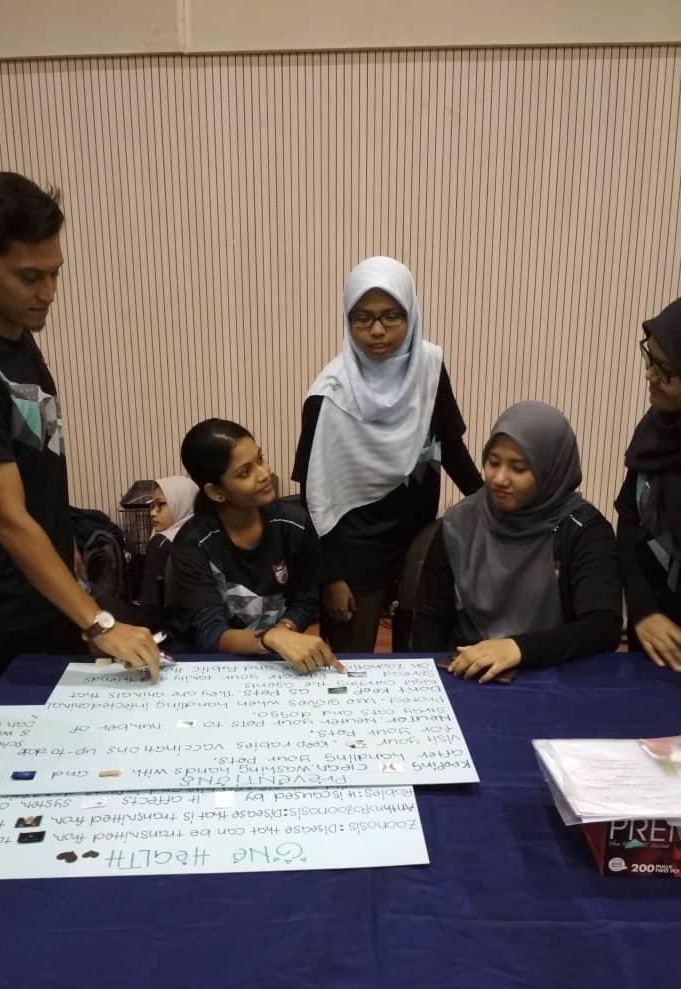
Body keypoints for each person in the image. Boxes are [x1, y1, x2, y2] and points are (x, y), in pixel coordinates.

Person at [0, 172, 160, 694]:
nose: (49, 293)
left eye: (55, 274)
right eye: (30, 277)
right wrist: (98, 622)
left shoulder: (15, 337)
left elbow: (36, 463)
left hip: (47, 590)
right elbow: (8, 520)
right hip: (3, 608)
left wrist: (68, 550)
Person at [292, 255, 482, 653]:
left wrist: (490, 506)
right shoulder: (328, 395)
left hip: (416, 535)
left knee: (417, 653)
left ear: (411, 313)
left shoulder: (429, 368)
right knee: (352, 662)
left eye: (391, 316)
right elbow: (314, 493)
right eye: (362, 318)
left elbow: (451, 447)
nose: (377, 331)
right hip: (353, 548)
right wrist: (331, 575)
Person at [412, 401, 623, 682]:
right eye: (493, 462)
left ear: (551, 469)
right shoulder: (459, 523)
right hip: (468, 673)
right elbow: (430, 619)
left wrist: (519, 648)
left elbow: (602, 626)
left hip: (554, 674)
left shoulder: (584, 530)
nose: (499, 479)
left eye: (519, 468)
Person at [169, 418, 344, 674]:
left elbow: (306, 600)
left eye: (260, 459)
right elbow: (210, 633)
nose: (264, 474)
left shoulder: (294, 524)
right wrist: (269, 638)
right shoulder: (193, 543)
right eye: (245, 472)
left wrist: (283, 631)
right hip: (213, 667)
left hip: (277, 662)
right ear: (216, 492)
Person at [615, 298, 681, 670]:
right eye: (649, 358)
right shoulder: (656, 429)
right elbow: (629, 521)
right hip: (655, 633)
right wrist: (643, 611)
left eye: (665, 370)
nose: (650, 376)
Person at [137, 476, 198, 624]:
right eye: (152, 505)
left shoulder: (161, 543)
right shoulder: (205, 535)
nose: (153, 513)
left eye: (161, 504)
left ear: (180, 504)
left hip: (170, 629)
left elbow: (150, 608)